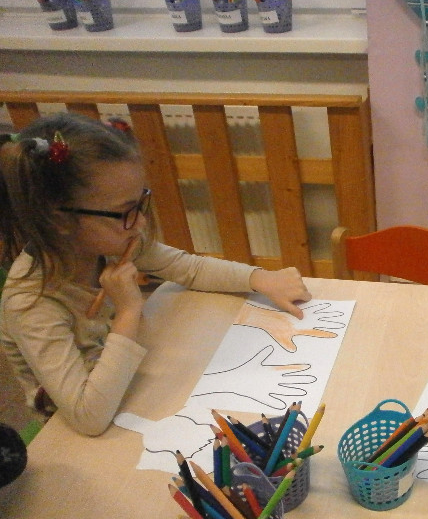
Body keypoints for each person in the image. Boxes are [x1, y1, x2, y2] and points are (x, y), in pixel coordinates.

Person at [0, 112, 311, 437]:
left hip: (128, 384)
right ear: (59, 220)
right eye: (125, 212)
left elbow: (189, 268)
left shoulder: (109, 242)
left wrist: (260, 279)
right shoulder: (32, 303)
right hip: (74, 433)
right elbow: (87, 416)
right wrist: (128, 312)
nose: (141, 222)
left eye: (141, 203)